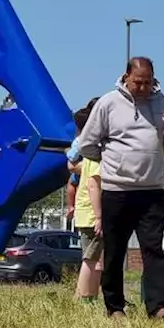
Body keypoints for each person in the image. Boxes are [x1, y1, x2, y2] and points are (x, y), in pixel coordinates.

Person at [77, 57, 164, 321]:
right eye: (138, 82)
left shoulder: (162, 103)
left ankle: (159, 308)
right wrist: (113, 161)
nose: (143, 87)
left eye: (148, 82)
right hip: (117, 190)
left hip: (152, 191)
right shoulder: (108, 103)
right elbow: (87, 145)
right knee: (114, 251)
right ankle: (114, 308)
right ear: (126, 77)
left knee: (154, 250)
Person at [68, 100, 104, 301]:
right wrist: (99, 216)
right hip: (91, 213)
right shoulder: (95, 157)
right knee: (90, 259)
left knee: (94, 257)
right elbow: (93, 185)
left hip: (87, 212)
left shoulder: (88, 155)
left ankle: (90, 295)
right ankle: (81, 297)